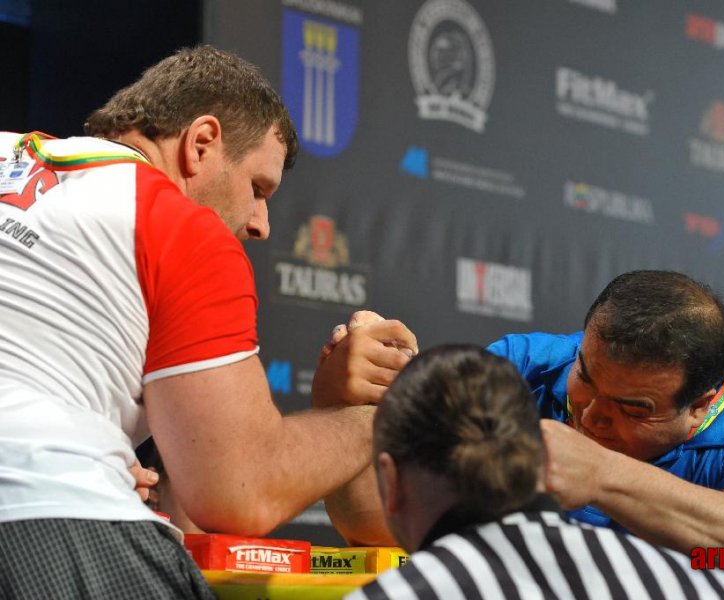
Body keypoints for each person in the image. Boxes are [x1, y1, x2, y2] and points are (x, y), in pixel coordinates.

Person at [0, 45, 415, 598]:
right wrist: (371, 416)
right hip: (47, 523)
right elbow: (239, 492)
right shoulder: (179, 225)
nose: (260, 224)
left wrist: (102, 448)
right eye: (257, 189)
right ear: (201, 144)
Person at [487, 270, 724, 600]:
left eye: (633, 409)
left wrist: (600, 474)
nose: (592, 415)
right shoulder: (525, 366)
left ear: (700, 405)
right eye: (585, 378)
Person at [346, 345, 724, 600]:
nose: (596, 417)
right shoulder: (695, 585)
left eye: (633, 408)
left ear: (391, 481)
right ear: (543, 451)